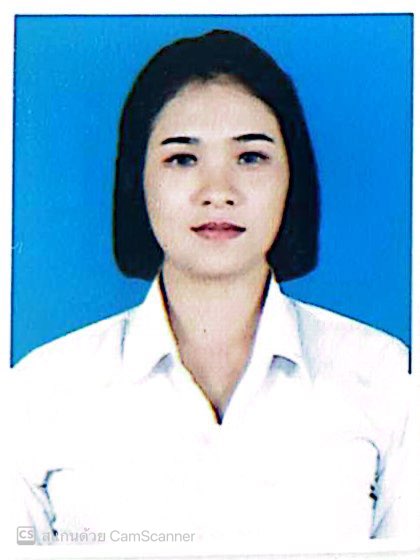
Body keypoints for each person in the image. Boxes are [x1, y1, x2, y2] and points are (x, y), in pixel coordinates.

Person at [9, 29, 417, 550]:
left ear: (293, 177)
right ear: (137, 179)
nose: (218, 192)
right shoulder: (39, 392)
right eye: (183, 159)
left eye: (250, 157)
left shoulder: (384, 377)